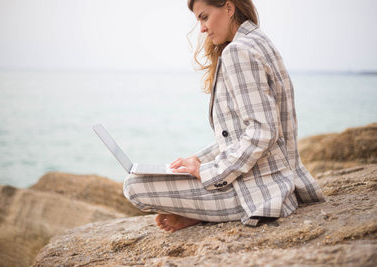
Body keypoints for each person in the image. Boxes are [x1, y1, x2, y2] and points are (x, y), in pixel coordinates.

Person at [123, 0, 325, 233]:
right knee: (162, 176)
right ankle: (201, 211)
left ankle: (206, 214)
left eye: (204, 17)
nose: (201, 28)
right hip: (277, 181)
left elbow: (262, 132)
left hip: (260, 193)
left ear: (229, 8)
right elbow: (240, 133)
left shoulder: (238, 52)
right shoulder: (259, 41)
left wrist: (209, 172)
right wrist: (198, 161)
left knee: (134, 186)